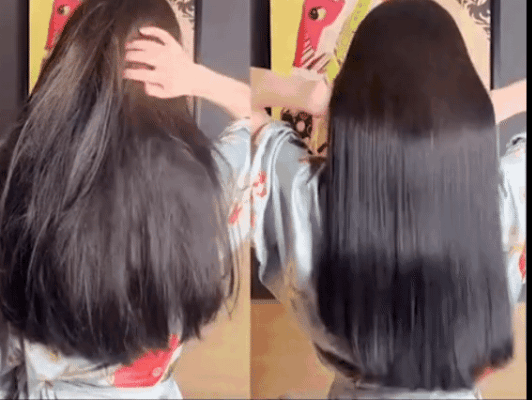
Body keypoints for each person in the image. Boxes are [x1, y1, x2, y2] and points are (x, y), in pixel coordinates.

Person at [249, 0, 523, 398]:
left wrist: (311, 95)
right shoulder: (505, 200)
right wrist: (477, 112)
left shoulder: (306, 200)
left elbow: (241, 96)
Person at [0, 0, 250, 398]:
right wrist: (199, 79)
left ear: (71, 66)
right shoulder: (208, 187)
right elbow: (257, 127)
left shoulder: (18, 182)